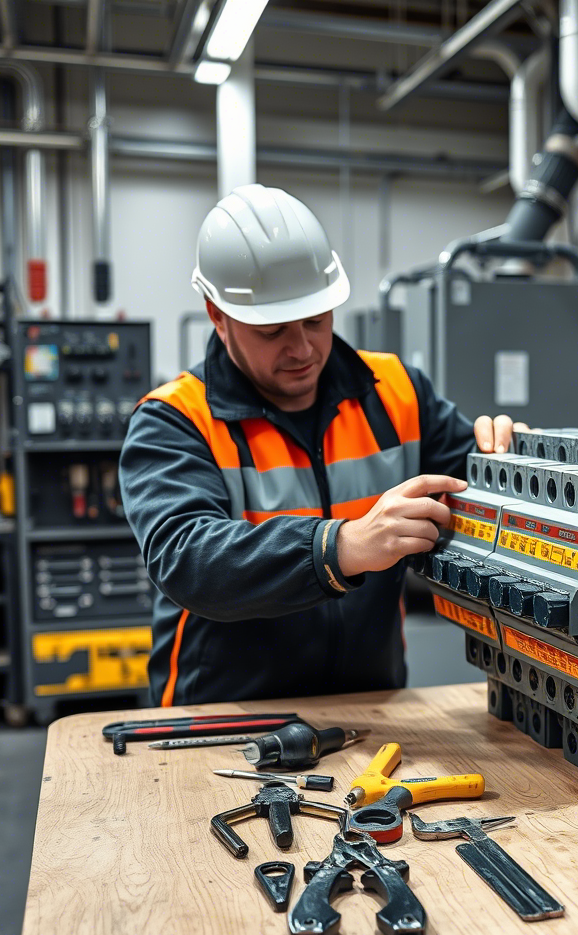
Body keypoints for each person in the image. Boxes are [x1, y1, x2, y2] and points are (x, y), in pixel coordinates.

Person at [119, 184, 519, 706]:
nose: (303, 347)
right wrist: (341, 547)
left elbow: (473, 487)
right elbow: (189, 559)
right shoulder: (175, 420)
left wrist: (515, 464)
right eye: (273, 330)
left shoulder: (396, 391)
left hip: (373, 709)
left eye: (316, 319)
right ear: (217, 316)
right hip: (223, 717)